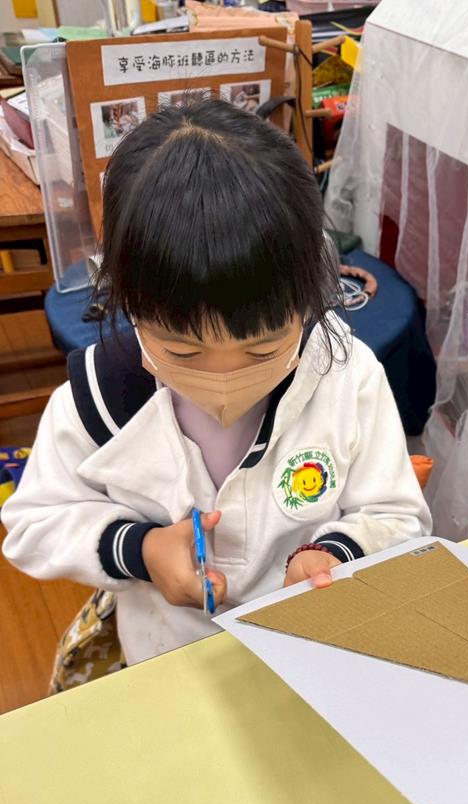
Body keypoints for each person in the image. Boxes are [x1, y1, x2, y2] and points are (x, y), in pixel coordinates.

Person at [2, 99, 431, 666]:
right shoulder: (99, 398)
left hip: (310, 650)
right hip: (168, 655)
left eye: (262, 349)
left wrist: (335, 552)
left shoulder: (345, 375)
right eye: (183, 351)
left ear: (311, 297)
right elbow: (34, 522)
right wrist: (141, 549)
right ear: (126, 303)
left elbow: (397, 514)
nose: (224, 379)